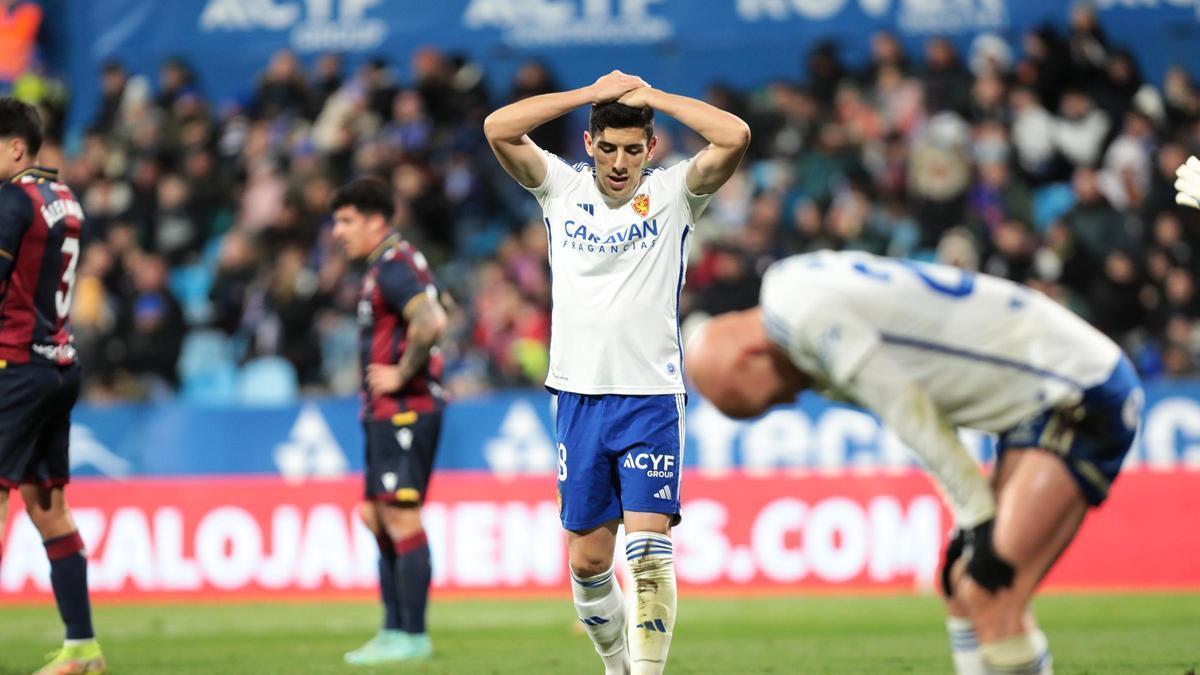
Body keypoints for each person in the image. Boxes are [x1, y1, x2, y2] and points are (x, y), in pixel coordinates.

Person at [686, 250, 1143, 675]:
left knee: (990, 594)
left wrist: (976, 514)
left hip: (1075, 389)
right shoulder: (792, 280)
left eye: (772, 398)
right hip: (1043, 393)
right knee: (961, 589)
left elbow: (909, 408)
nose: (788, 400)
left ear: (750, 356)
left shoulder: (805, 319)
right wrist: (971, 521)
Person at [484, 71, 750, 675]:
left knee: (650, 552)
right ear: (588, 143)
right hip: (578, 397)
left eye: (634, 149)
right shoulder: (559, 188)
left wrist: (652, 96)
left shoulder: (676, 192)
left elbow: (734, 135)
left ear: (651, 149)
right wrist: (589, 94)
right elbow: (498, 128)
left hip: (651, 397)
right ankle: (615, 663)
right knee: (586, 561)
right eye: (608, 147)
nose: (620, 162)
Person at [0, 98, 105, 674]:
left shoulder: (12, 199)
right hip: (59, 364)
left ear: (16, 147)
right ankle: (82, 649)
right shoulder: (64, 198)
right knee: (49, 508)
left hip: (15, 365)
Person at [330, 178, 447, 665]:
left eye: (346, 220)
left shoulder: (394, 268)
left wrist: (402, 370)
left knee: (399, 515)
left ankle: (411, 634)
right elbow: (442, 307)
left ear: (376, 220)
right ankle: (393, 628)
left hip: (406, 407)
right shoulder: (397, 263)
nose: (337, 232)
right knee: (375, 514)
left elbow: (431, 320)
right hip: (384, 411)